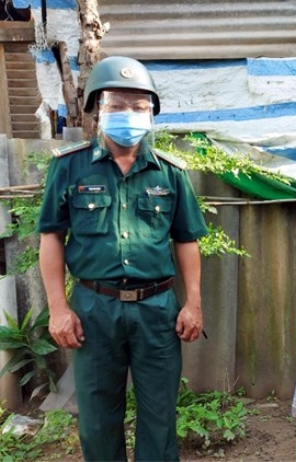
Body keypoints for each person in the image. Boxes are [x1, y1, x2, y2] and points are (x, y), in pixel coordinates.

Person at [38, 56, 208, 462]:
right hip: (94, 309)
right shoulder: (69, 167)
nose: (128, 114)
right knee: (97, 420)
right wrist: (58, 308)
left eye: (138, 106)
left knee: (160, 418)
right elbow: (51, 237)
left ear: (151, 114)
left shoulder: (170, 173)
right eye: (116, 105)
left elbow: (186, 241)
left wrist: (194, 302)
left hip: (156, 309)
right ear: (98, 111)